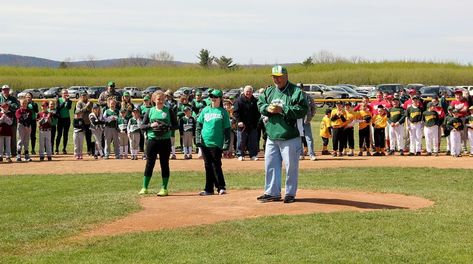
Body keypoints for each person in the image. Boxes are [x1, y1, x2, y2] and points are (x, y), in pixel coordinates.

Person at [256, 65, 308, 203]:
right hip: (272, 135)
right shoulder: (269, 91)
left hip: (290, 135)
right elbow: (260, 104)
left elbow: (302, 109)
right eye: (274, 77)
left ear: (286, 76)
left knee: (291, 166)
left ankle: (290, 193)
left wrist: (283, 109)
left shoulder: (295, 91)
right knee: (270, 165)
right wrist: (267, 108)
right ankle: (272, 192)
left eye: (279, 77)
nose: (276, 79)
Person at [139, 90, 178, 196]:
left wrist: (168, 127)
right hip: (152, 140)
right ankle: (144, 187)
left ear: (165, 99)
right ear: (153, 100)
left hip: (165, 141)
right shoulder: (150, 111)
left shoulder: (169, 111)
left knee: (164, 164)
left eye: (162, 98)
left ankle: (164, 188)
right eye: (158, 99)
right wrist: (151, 126)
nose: (160, 100)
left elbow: (176, 125)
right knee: (149, 164)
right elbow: (142, 126)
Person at [195, 89, 231, 195]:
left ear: (220, 99)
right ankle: (209, 189)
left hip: (216, 143)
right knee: (207, 165)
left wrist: (226, 144)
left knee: (216, 164)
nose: (213, 99)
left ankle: (221, 187)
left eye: (215, 97)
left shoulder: (223, 112)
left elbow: (227, 130)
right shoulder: (205, 110)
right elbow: (198, 125)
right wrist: (198, 139)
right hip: (205, 142)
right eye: (212, 97)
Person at [233, 85, 261, 161]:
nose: (248, 93)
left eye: (250, 91)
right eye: (247, 91)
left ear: (252, 92)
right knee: (241, 140)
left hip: (253, 124)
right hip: (242, 125)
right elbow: (235, 112)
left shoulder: (255, 101)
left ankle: (253, 155)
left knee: (253, 141)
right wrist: (239, 121)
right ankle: (240, 154)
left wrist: (257, 121)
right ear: (244, 92)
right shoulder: (238, 100)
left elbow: (258, 112)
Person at [1, 85, 20, 157]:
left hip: (12, 119)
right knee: (1, 136)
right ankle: (2, 153)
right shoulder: (0, 98)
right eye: (4, 90)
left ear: (9, 90)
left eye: (7, 89)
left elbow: (16, 106)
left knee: (12, 136)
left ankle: (13, 152)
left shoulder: (13, 98)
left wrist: (8, 105)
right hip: (2, 120)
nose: (5, 91)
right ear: (2, 91)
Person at [300, 92, 316, 160]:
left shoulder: (308, 97)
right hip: (298, 120)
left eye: (300, 88)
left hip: (306, 120)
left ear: (303, 88)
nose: (299, 89)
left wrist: (311, 116)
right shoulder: (294, 96)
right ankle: (300, 154)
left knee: (309, 138)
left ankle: (311, 154)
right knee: (299, 138)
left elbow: (313, 108)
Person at [55, 89, 72, 154]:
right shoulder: (58, 100)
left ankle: (64, 148)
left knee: (65, 134)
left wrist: (67, 101)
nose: (65, 94)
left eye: (66, 93)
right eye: (64, 93)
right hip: (60, 119)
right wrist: (64, 101)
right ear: (61, 94)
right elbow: (58, 108)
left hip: (67, 119)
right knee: (59, 134)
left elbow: (68, 108)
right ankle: (56, 149)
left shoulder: (69, 101)